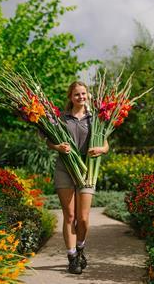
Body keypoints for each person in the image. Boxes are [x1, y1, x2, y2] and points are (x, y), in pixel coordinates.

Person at [46, 81, 109, 274]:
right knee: (70, 215)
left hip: (87, 170)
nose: (80, 97)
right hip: (64, 168)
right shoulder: (61, 118)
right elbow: (50, 141)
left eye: (83, 94)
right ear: (70, 97)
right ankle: (72, 256)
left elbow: (106, 145)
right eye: (76, 95)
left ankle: (80, 247)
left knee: (82, 218)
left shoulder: (96, 119)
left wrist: (100, 149)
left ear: (88, 95)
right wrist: (58, 147)